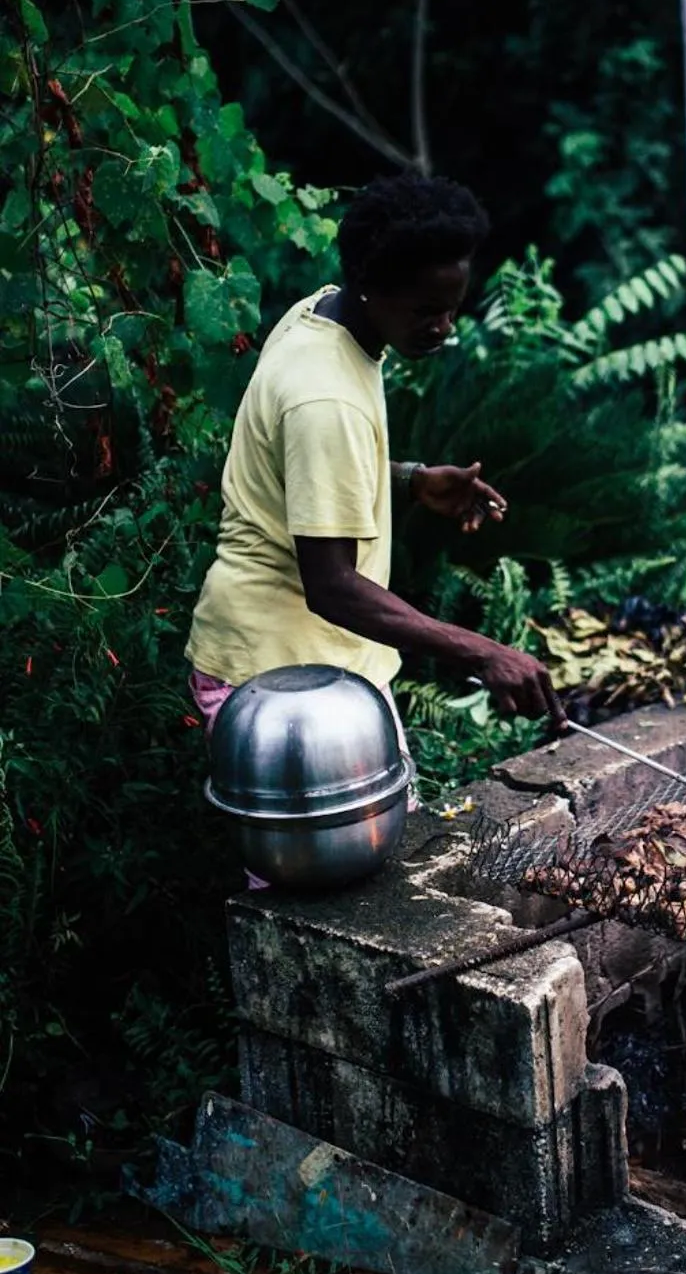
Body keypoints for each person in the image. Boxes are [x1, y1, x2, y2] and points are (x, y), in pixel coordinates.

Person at [186, 171, 564, 802]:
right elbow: (331, 586)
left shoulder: (324, 313)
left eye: (452, 307)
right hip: (278, 684)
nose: (443, 326)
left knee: (374, 879)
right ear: (370, 283)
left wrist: (409, 481)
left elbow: (300, 471)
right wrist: (480, 651)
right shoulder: (324, 394)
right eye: (425, 310)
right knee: (313, 895)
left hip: (321, 669)